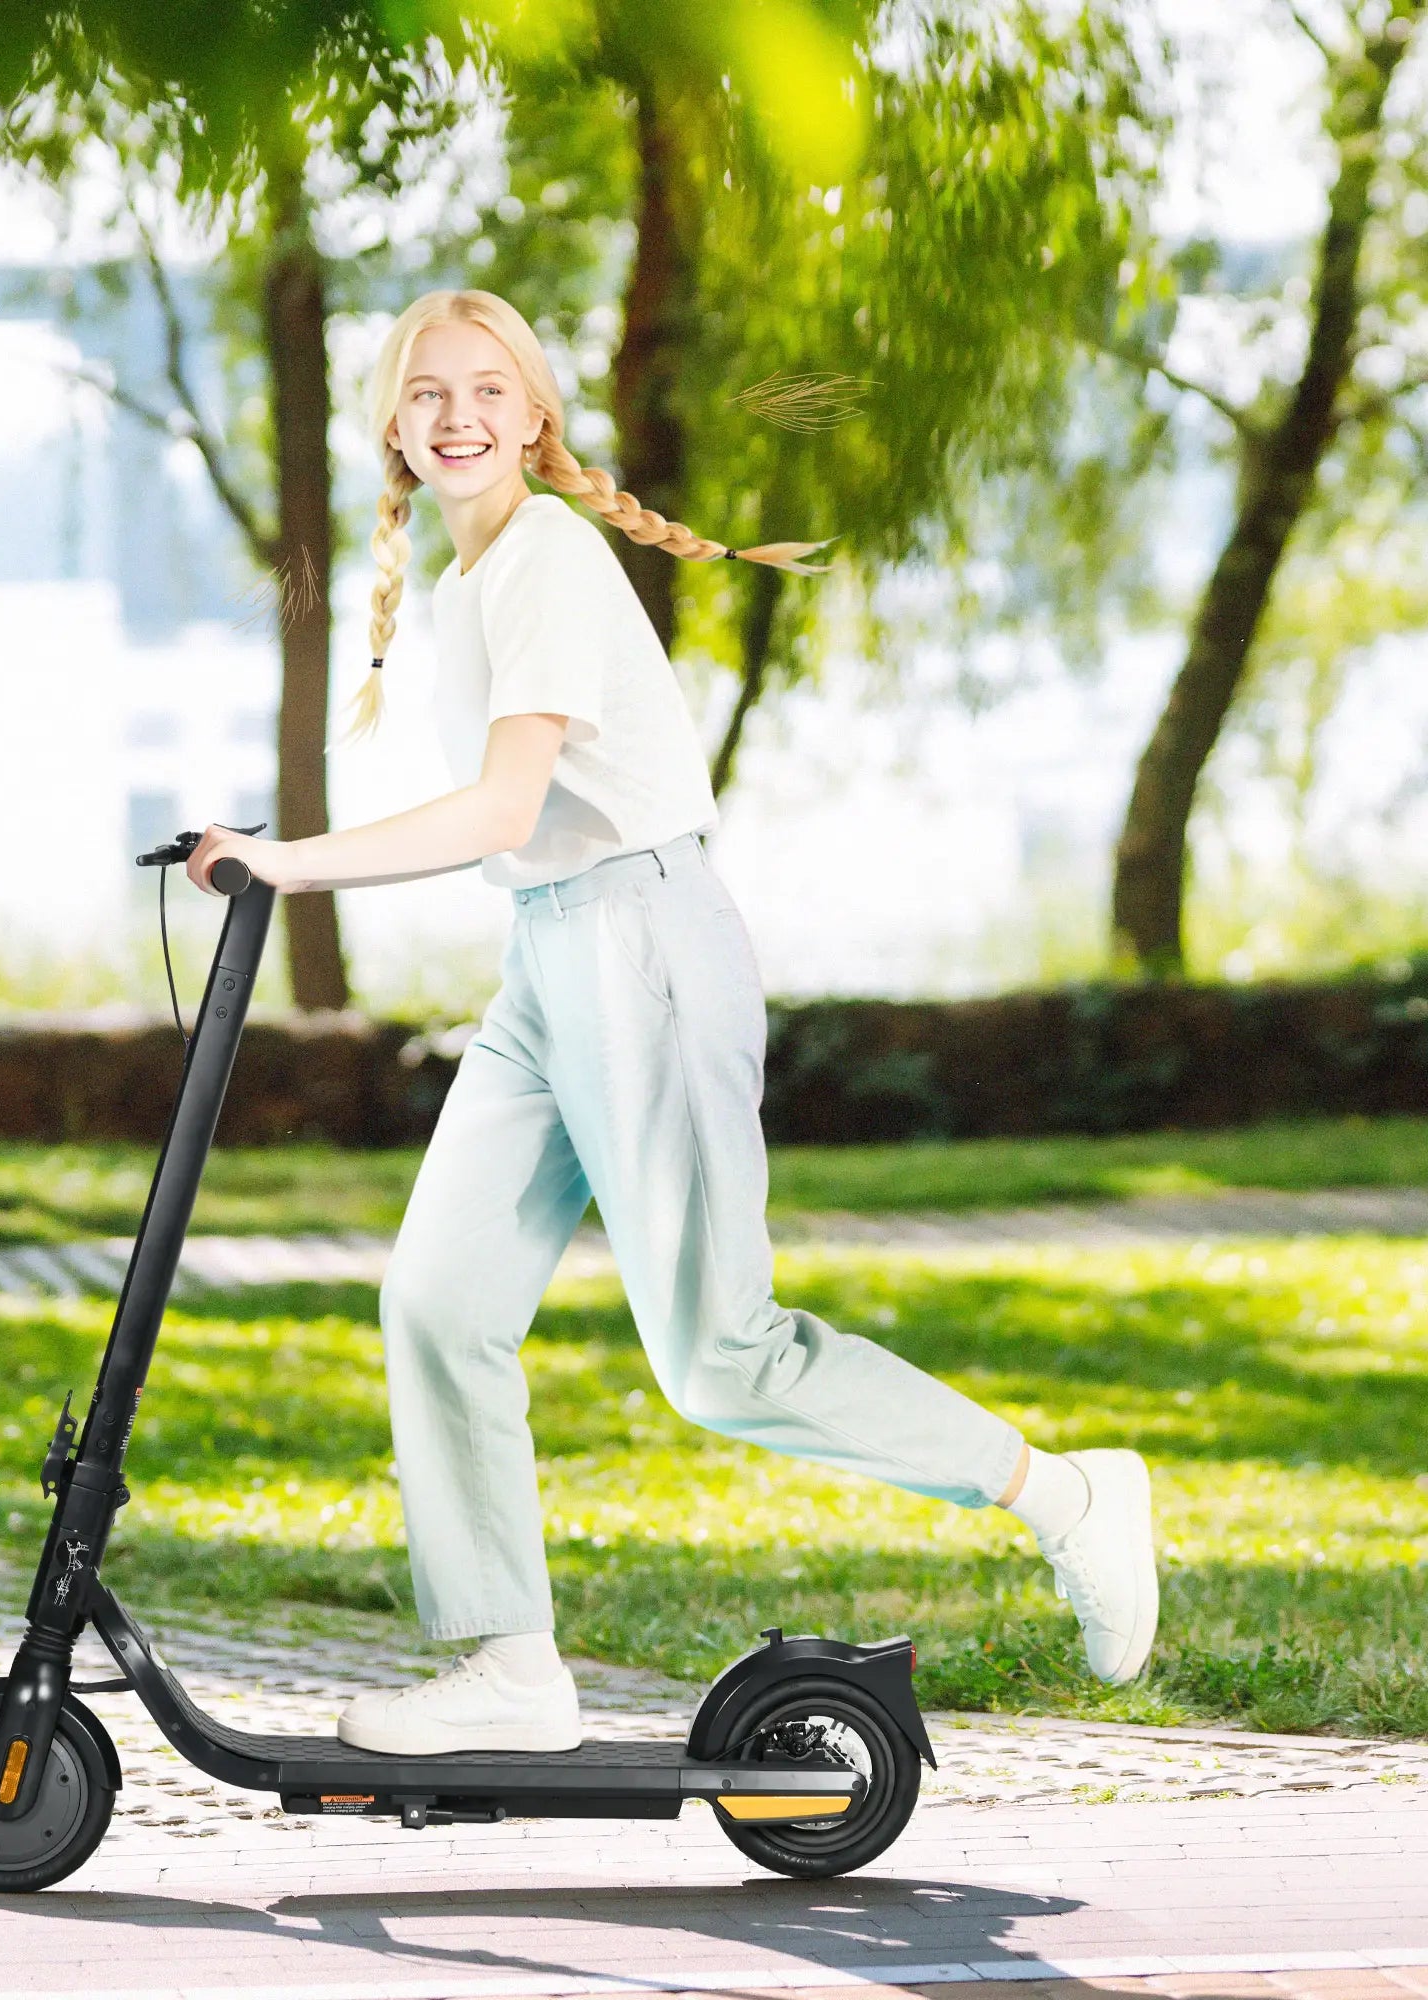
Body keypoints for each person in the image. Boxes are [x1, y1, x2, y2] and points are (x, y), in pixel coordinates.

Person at [185, 288, 1158, 1756]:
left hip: (642, 945)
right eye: (426, 394)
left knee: (721, 1356)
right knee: (439, 1307)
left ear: (534, 416)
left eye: (485, 390)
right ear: (391, 426)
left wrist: (294, 860)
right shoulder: (473, 582)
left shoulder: (552, 564)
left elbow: (508, 808)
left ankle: (1067, 1495)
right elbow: (522, 842)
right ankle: (510, 1669)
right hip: (550, 957)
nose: (455, 417)